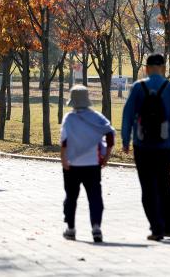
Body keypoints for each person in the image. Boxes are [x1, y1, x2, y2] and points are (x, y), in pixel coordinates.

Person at [122, 53, 170, 241]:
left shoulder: (137, 88)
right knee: (165, 184)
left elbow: (127, 116)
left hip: (142, 145)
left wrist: (126, 140)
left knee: (148, 187)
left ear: (146, 68)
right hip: (165, 145)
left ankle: (156, 228)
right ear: (164, 68)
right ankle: (169, 227)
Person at [60, 85, 115, 243]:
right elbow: (110, 134)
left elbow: (64, 142)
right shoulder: (97, 117)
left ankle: (70, 229)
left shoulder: (69, 119)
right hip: (92, 165)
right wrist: (106, 156)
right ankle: (96, 228)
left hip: (72, 165)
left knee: (71, 197)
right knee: (95, 197)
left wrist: (63, 159)